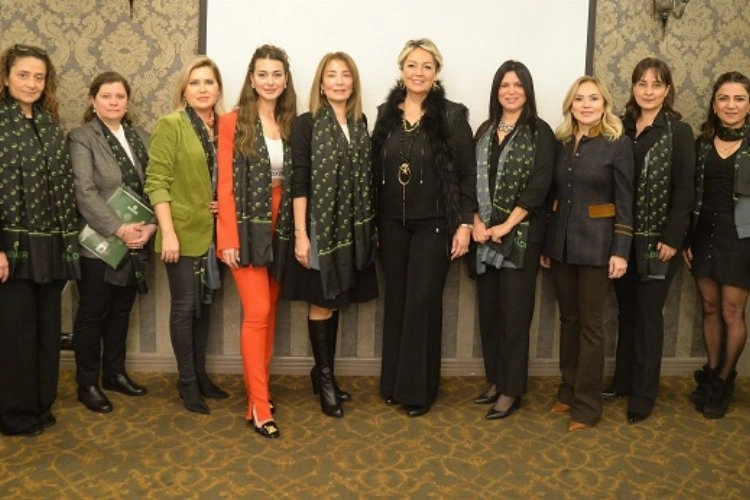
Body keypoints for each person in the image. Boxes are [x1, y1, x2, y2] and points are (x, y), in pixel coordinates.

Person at [372, 39, 476, 417]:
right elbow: (375, 169)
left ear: (436, 72)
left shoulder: (451, 115)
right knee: (397, 301)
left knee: (421, 302)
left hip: (434, 224)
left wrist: (464, 224)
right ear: (402, 70)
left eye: (426, 66)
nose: (419, 72)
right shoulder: (386, 114)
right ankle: (393, 384)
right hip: (392, 225)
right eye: (412, 65)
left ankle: (418, 391)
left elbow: (467, 174)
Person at [281, 51, 378, 418]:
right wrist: (301, 235)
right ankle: (324, 380)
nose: (339, 81)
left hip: (351, 229)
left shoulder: (359, 122)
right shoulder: (306, 124)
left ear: (353, 83)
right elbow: (299, 181)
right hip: (320, 227)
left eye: (345, 75)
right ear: (321, 84)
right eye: (332, 75)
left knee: (336, 298)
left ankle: (325, 374)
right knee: (322, 300)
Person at [602, 58, 695, 424]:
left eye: (656, 84)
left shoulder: (678, 132)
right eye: (642, 83)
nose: (648, 91)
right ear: (633, 87)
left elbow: (685, 190)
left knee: (648, 317)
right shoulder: (618, 127)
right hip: (622, 240)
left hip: (659, 243)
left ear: (667, 89)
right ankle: (623, 381)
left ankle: (643, 395)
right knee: (626, 312)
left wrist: (673, 237)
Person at [540, 75, 634, 431]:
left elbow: (625, 201)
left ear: (605, 104)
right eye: (579, 99)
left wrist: (621, 250)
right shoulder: (562, 142)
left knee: (592, 327)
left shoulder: (617, 144)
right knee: (569, 321)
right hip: (562, 245)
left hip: (598, 247)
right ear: (570, 105)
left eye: (594, 98)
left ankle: (587, 406)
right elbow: (554, 197)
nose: (586, 105)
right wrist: (548, 245)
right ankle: (568, 391)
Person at [216, 45, 296, 438]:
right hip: (247, 226)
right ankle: (261, 406)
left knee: (270, 312)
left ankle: (256, 396)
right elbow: (225, 184)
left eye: (276, 74)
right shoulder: (231, 122)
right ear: (251, 78)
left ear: (286, 78)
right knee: (257, 311)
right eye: (262, 74)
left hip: (284, 225)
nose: (270, 81)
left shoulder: (292, 122)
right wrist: (227, 237)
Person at [0, 44, 80, 437]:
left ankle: (40, 405)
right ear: (5, 78)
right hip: (11, 249)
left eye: (39, 77)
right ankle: (15, 414)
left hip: (51, 248)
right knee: (16, 333)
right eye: (23, 75)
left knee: (47, 331)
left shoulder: (50, 125)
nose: (32, 83)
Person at [470, 61, 555, 420]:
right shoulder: (484, 130)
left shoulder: (540, 132)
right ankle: (496, 380)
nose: (511, 91)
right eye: (505, 85)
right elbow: (469, 179)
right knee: (490, 315)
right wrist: (476, 221)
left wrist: (506, 225)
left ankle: (511, 390)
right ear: (496, 90)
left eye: (518, 85)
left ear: (528, 91)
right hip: (484, 238)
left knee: (515, 317)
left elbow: (539, 187)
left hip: (519, 238)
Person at [145, 55, 228, 414]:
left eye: (209, 82)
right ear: (183, 90)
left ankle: (201, 375)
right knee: (184, 308)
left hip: (214, 235)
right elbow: (156, 182)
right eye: (194, 83)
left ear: (218, 88)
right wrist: (168, 233)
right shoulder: (171, 125)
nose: (202, 89)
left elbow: (228, 179)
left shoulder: (224, 127)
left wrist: (223, 202)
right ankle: (187, 383)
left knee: (204, 308)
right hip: (180, 233)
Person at [69, 71, 156, 413]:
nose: (114, 102)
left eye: (120, 96)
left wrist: (151, 227)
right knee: (94, 312)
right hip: (100, 243)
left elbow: (157, 185)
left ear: (128, 101)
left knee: (121, 310)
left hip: (138, 240)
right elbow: (84, 191)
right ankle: (87, 383)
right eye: (106, 96)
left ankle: (114, 374)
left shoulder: (141, 137)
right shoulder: (81, 138)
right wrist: (119, 229)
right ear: (93, 101)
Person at [684, 71, 750, 419]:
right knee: (710, 307)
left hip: (742, 236)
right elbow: (690, 193)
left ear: (749, 105)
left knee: (731, 312)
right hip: (704, 233)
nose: (731, 105)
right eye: (724, 98)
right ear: (714, 104)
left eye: (739, 98)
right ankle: (711, 372)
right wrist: (687, 238)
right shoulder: (702, 144)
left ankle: (723, 383)